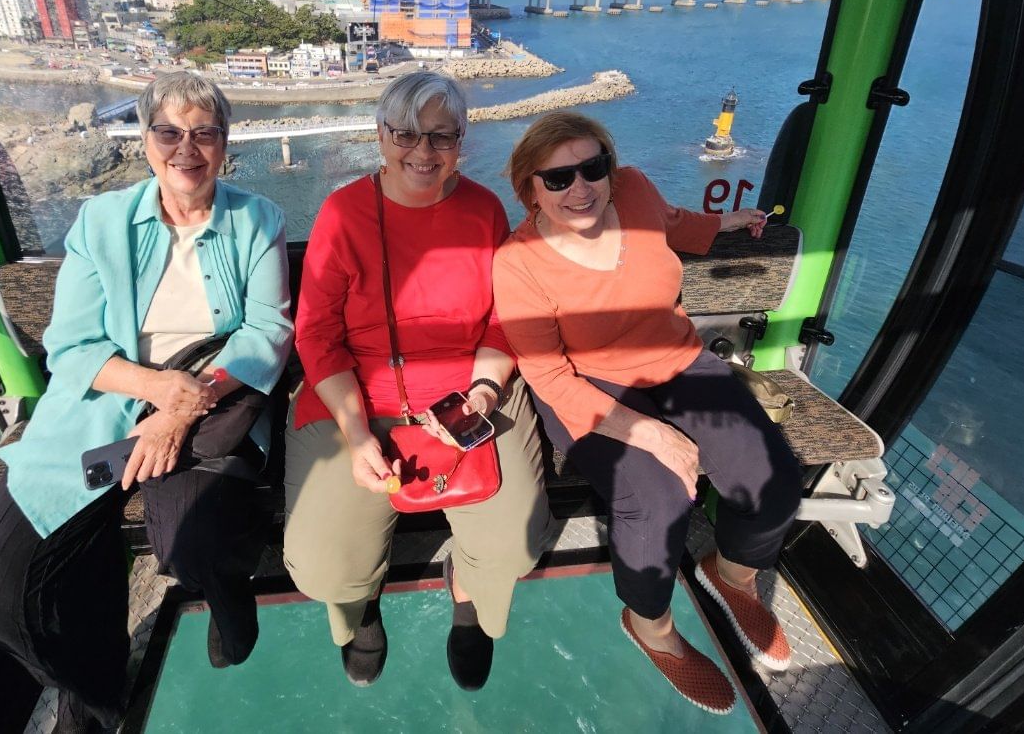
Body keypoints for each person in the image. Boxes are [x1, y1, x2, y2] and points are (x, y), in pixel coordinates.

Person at [0, 72, 293, 733]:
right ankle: (96, 688)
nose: (186, 149)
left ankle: (231, 610)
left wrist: (182, 409)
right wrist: (154, 392)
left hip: (209, 412)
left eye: (204, 133)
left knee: (196, 545)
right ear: (145, 141)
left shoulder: (256, 219)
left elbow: (268, 330)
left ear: (226, 144)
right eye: (168, 131)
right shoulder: (104, 222)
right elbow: (71, 346)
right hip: (100, 420)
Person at [492, 111, 801, 716]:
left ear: (611, 166)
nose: (580, 188)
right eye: (556, 179)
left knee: (773, 482)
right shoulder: (518, 262)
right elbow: (547, 373)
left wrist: (727, 222)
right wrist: (651, 434)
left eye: (592, 168)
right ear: (529, 188)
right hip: (588, 384)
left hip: (675, 358)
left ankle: (732, 575)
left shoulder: (632, 187)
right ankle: (649, 624)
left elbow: (673, 223)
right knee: (655, 501)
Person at [284, 71, 554, 692]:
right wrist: (356, 436)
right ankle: (359, 606)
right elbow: (318, 336)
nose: (423, 152)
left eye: (441, 137)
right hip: (357, 393)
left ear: (462, 141)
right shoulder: (343, 213)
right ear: (381, 136)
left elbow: (501, 317)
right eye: (405, 133)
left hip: (467, 391)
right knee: (324, 563)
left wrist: (484, 394)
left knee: (515, 545)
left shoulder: (484, 210)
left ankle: (470, 594)